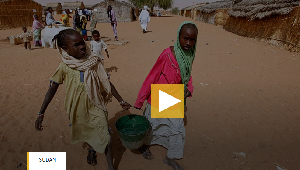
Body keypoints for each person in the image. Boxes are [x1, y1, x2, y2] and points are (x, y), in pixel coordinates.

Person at [35, 29, 131, 170]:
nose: (82, 47)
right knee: (86, 131)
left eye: (82, 43)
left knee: (106, 136)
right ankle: (91, 148)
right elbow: (52, 89)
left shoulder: (94, 62)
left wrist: (121, 100)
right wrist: (41, 113)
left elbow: (106, 82)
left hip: (96, 105)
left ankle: (111, 167)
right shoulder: (64, 67)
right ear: (65, 48)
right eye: (76, 45)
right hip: (77, 108)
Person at [134, 21, 198, 170]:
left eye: (192, 39)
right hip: (159, 95)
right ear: (178, 37)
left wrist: (189, 88)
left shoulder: (189, 55)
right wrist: (140, 100)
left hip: (174, 96)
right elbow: (152, 76)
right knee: (150, 125)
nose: (188, 43)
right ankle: (143, 146)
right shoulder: (167, 54)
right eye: (185, 38)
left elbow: (188, 76)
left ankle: (170, 157)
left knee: (177, 127)